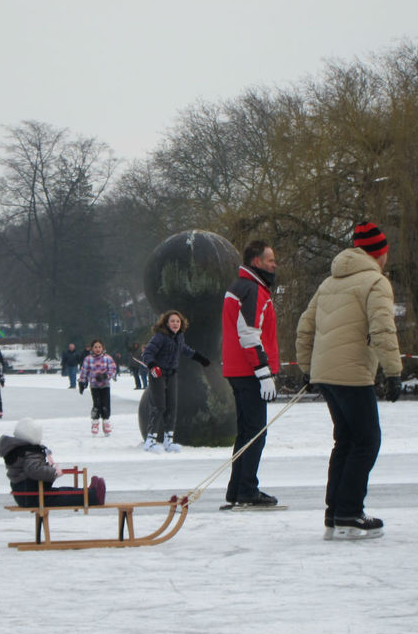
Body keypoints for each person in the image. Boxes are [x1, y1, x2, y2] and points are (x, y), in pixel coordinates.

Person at [295, 221, 402, 540]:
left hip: (326, 373)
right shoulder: (375, 282)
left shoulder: (328, 283)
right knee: (367, 441)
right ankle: (350, 511)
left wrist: (306, 367)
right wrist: (393, 371)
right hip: (353, 373)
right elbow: (383, 328)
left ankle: (335, 511)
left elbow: (305, 326)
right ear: (379, 253)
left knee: (345, 441)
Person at [221, 240, 281, 508]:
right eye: (270, 259)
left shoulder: (240, 287)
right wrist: (263, 371)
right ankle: (247, 489)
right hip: (248, 371)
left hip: (238, 369)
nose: (274, 264)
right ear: (257, 261)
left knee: (246, 432)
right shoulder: (253, 290)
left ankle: (237, 489)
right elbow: (249, 334)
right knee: (256, 432)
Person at [140, 310, 210, 454]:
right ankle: (150, 441)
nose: (175, 324)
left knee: (172, 406)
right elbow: (147, 353)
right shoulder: (160, 337)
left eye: (178, 321)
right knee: (159, 406)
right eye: (172, 321)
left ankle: (168, 440)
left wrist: (200, 358)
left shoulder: (179, 337)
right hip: (158, 375)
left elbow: (185, 350)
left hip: (171, 375)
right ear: (166, 322)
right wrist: (153, 366)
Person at [0, 417, 106, 507]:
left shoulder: (21, 450)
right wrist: (53, 472)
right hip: (32, 496)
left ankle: (88, 492)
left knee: (62, 491)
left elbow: (32, 468)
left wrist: (49, 468)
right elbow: (34, 470)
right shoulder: (27, 451)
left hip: (28, 494)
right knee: (62, 496)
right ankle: (92, 497)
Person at [78, 339, 117, 435]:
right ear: (92, 348)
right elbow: (84, 371)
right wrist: (82, 382)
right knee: (97, 403)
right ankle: (95, 421)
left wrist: (105, 376)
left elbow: (113, 368)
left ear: (102, 348)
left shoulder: (107, 358)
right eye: (95, 347)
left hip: (105, 385)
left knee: (106, 403)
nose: (97, 349)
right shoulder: (88, 359)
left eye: (99, 347)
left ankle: (106, 421)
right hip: (94, 385)